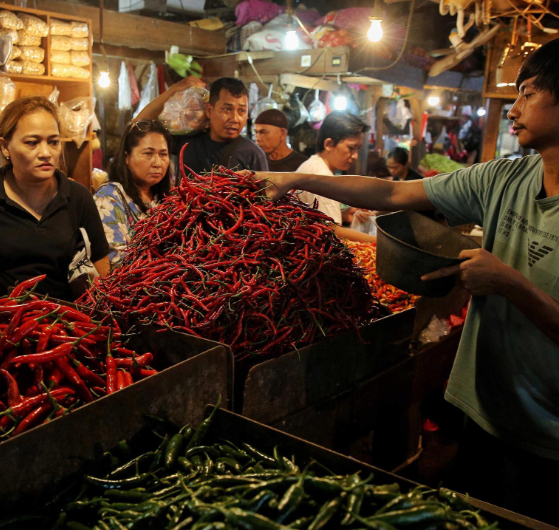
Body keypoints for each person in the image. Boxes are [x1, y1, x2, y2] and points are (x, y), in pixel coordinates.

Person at [254, 38, 559, 525]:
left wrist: (510, 283)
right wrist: (297, 181)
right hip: (482, 408)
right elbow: (394, 192)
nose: (513, 108)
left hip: (546, 435)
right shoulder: (504, 178)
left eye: (528, 93)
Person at [0, 96, 110, 303]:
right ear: (5, 146)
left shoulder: (78, 197)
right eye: (32, 143)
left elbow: (104, 280)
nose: (46, 153)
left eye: (53, 142)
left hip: (64, 321)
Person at [134, 76, 268, 175]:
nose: (235, 119)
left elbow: (264, 198)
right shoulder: (187, 142)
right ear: (209, 110)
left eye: (241, 111)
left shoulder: (253, 154)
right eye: (227, 109)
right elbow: (139, 124)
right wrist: (174, 89)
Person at [94, 119, 172, 264]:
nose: (157, 163)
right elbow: (115, 260)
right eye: (148, 153)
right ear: (127, 157)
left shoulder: (167, 198)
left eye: (163, 154)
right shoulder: (108, 197)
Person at [292, 111, 376, 243]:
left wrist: (343, 215)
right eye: (351, 148)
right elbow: (330, 231)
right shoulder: (321, 176)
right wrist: (378, 241)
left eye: (357, 149)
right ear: (329, 144)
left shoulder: (314, 166)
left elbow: (316, 222)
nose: (355, 156)